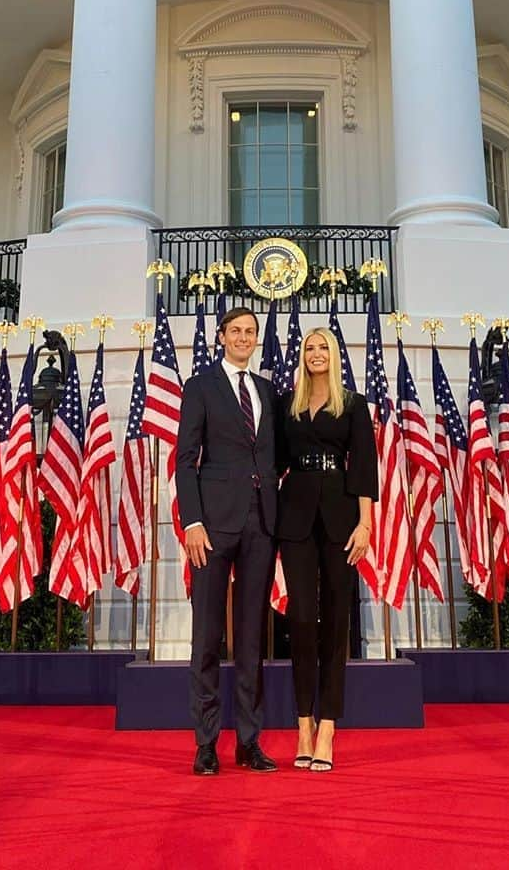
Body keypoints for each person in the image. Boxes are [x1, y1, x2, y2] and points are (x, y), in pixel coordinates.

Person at [176, 306, 281, 776]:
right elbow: (185, 460)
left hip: (261, 525)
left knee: (252, 641)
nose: (243, 337)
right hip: (212, 528)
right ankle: (205, 745)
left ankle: (249, 742)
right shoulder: (199, 386)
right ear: (221, 336)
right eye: (235, 330)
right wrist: (192, 522)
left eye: (250, 331)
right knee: (207, 640)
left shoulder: (266, 391)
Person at [276, 327, 378, 772]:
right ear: (302, 357)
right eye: (309, 348)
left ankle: (329, 727)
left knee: (337, 620)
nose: (316, 354)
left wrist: (366, 523)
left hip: (341, 518)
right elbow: (273, 459)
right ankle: (302, 723)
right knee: (300, 619)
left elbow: (365, 465)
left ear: (334, 356)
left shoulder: (352, 405)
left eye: (323, 348)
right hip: (294, 515)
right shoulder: (288, 404)